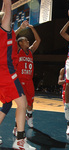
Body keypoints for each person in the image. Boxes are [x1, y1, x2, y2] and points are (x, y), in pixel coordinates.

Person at [0, 0, 36, 149]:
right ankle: (20, 141)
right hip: (7, 72)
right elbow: (7, 9)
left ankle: (20, 140)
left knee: (8, 104)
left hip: (2, 73)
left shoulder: (5, 33)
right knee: (23, 103)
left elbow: (4, 10)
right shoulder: (4, 30)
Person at [12, 20, 41, 136]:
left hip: (29, 81)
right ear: (20, 43)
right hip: (19, 81)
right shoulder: (17, 51)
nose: (28, 41)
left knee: (30, 103)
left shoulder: (31, 51)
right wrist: (21, 28)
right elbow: (13, 37)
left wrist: (32, 28)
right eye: (25, 40)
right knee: (21, 105)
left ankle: (29, 116)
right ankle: (16, 127)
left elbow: (38, 40)